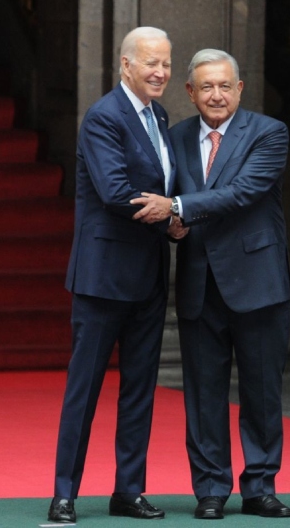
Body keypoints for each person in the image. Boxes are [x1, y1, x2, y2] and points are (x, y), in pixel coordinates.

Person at [132, 49, 290, 519]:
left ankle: (260, 487)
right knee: (203, 394)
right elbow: (162, 203)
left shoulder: (269, 133)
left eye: (225, 86)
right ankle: (210, 490)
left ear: (240, 89)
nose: (217, 95)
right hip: (200, 283)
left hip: (258, 283)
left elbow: (244, 192)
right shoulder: (173, 137)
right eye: (207, 87)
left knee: (263, 391)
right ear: (190, 93)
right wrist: (171, 224)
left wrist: (178, 208)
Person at [49, 27, 176, 524]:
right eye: (150, 62)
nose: (160, 71)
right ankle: (64, 493)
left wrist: (177, 213)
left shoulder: (160, 116)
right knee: (84, 388)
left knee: (140, 388)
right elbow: (114, 190)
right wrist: (176, 213)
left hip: (148, 276)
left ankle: (129, 490)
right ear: (125, 65)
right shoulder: (104, 116)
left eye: (166, 62)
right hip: (102, 278)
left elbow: (163, 186)